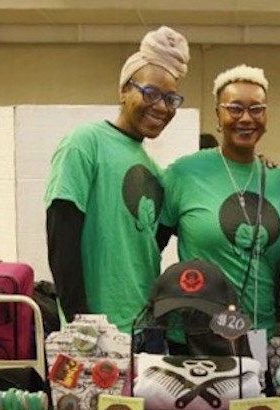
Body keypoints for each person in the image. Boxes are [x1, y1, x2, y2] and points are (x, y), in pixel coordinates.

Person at [44, 26, 190, 337]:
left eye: (170, 99)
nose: (162, 107)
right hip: (97, 330)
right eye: (150, 93)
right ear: (123, 89)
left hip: (146, 327)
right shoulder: (85, 143)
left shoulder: (153, 167)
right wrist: (81, 325)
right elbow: (62, 237)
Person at [160, 64, 280, 345]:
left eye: (256, 109)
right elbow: (151, 247)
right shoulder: (184, 173)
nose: (246, 118)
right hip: (195, 333)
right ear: (218, 115)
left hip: (260, 335)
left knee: (258, 391)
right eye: (234, 108)